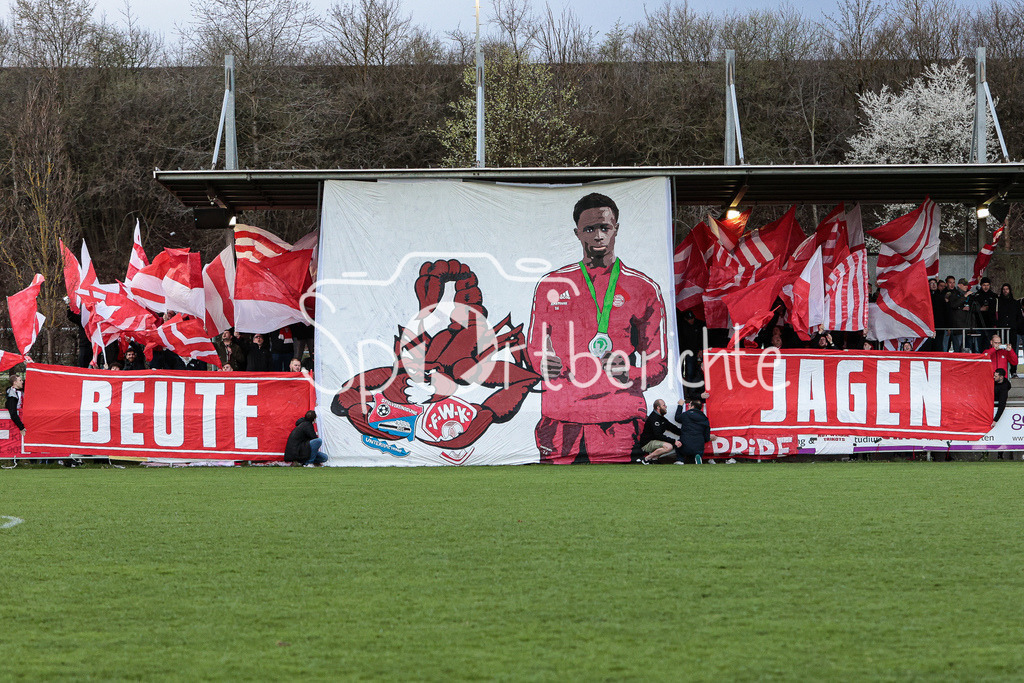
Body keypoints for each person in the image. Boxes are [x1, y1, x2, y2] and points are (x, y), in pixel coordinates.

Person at [527, 192, 668, 463]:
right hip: (561, 417)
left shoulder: (644, 288)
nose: (598, 235)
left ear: (616, 229)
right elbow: (534, 349)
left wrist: (633, 373)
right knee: (552, 498)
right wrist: (541, 362)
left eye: (605, 227)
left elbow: (658, 365)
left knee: (618, 497)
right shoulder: (551, 285)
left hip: (620, 418)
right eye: (590, 229)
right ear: (577, 233)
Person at [638, 399, 681, 464]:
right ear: (658, 407)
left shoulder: (661, 418)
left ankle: (654, 459)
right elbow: (658, 435)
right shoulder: (654, 418)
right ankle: (646, 459)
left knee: (672, 444)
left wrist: (685, 433)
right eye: (664, 405)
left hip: (654, 441)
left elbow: (672, 428)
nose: (666, 406)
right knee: (669, 446)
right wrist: (674, 441)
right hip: (647, 443)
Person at [673, 397, 711, 464]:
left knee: (677, 444)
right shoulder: (704, 418)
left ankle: (680, 459)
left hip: (685, 444)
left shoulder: (686, 414)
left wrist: (680, 405)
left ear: (692, 406)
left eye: (689, 405)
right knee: (696, 452)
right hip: (699, 445)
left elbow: (677, 418)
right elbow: (707, 434)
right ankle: (697, 456)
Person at [997, 284, 1021, 367]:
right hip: (1001, 329)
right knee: (1001, 349)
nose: (1005, 291)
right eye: (1003, 289)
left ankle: (1013, 370)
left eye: (1007, 289)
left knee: (1013, 350)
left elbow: (1019, 316)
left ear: (1010, 290)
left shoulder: (1015, 303)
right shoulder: (998, 302)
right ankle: (1001, 368)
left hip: (1012, 330)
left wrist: (1016, 326)